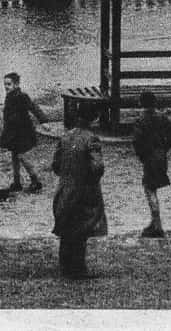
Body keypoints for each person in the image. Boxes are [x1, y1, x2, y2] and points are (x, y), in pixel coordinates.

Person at [51, 101, 107, 278]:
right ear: (94, 118)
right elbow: (97, 167)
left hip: (64, 188)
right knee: (81, 229)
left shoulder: (66, 137)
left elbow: (56, 165)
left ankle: (65, 266)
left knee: (66, 228)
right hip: (83, 190)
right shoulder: (91, 138)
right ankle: (78, 268)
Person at [129, 91, 171, 238]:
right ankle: (154, 222)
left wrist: (143, 156)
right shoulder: (163, 117)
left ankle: (157, 224)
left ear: (141, 103)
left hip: (149, 157)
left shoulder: (140, 120)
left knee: (149, 189)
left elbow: (137, 142)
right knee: (152, 188)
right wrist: (163, 149)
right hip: (161, 155)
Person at [0, 72, 49, 193]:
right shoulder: (9, 96)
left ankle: (36, 181)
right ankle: (17, 182)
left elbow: (34, 107)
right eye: (5, 84)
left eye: (9, 84)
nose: (6, 87)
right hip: (12, 132)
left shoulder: (22, 96)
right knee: (15, 157)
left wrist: (43, 121)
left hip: (23, 132)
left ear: (16, 84)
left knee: (23, 157)